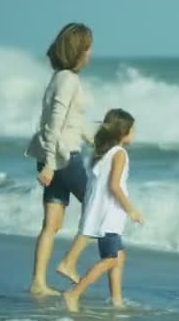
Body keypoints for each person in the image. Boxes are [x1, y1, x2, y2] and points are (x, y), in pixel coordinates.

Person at [25, 22, 94, 296]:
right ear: (78, 50)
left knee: (51, 224)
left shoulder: (58, 77)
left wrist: (100, 141)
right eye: (88, 48)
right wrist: (52, 165)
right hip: (63, 158)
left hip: (52, 156)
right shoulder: (69, 80)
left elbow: (72, 122)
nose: (90, 54)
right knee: (98, 208)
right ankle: (69, 263)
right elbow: (54, 122)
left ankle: (38, 283)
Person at [63, 108, 144, 312]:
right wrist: (131, 209)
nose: (135, 134)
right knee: (111, 260)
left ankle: (117, 300)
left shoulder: (103, 153)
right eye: (133, 130)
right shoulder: (120, 154)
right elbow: (114, 186)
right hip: (109, 217)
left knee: (119, 257)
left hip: (103, 216)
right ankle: (73, 293)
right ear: (122, 132)